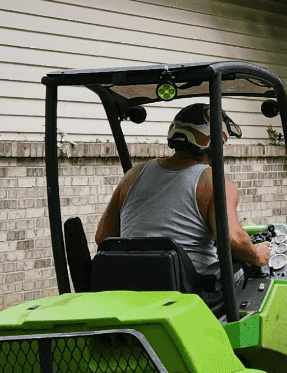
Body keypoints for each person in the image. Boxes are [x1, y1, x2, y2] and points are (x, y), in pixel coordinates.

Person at [95, 103, 270, 292]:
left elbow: (103, 237)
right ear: (214, 144)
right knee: (256, 280)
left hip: (126, 286)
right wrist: (257, 254)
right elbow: (233, 241)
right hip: (189, 292)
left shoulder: (133, 175)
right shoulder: (213, 181)